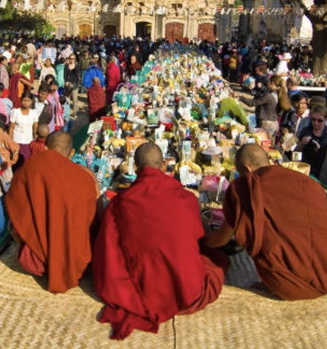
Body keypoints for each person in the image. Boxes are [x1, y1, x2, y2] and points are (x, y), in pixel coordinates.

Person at [95, 142, 228, 339]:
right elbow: (196, 238)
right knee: (214, 265)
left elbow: (107, 246)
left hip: (141, 282)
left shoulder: (121, 203)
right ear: (164, 166)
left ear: (137, 168)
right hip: (185, 289)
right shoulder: (187, 198)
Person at [202, 144, 327, 300]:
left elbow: (222, 238)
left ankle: (277, 281)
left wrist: (200, 241)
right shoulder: (309, 184)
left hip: (289, 285)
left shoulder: (244, 189)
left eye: (240, 173)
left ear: (247, 169)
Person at [7, 132, 98, 293]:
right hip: (78, 259)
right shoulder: (85, 177)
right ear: (72, 153)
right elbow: (93, 220)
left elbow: (15, 203)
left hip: (39, 260)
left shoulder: (31, 166)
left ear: (45, 148)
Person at [9, 91, 39, 162]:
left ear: (31, 102)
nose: (26, 103)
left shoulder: (34, 113)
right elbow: (11, 128)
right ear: (21, 100)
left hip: (28, 141)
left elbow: (35, 127)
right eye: (24, 100)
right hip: (16, 140)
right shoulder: (15, 112)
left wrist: (35, 138)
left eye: (28, 101)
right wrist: (10, 142)